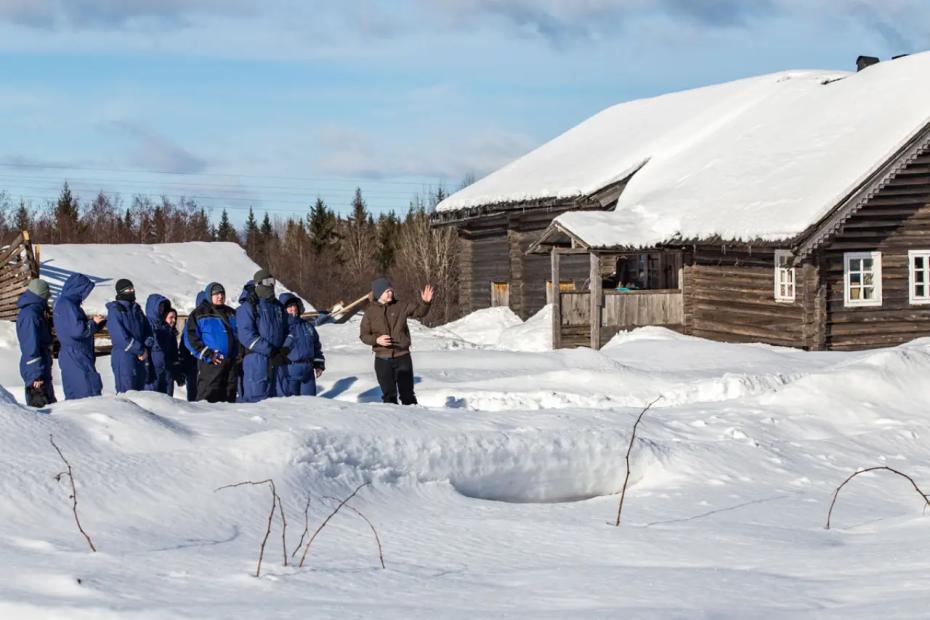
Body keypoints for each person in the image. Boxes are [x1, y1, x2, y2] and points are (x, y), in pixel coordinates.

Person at [359, 277, 433, 405]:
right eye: (387, 291)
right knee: (389, 396)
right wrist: (377, 340)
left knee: (408, 394)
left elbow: (419, 312)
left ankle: (413, 421)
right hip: (382, 360)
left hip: (403, 357)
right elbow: (364, 335)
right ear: (378, 293)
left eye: (391, 290)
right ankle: (392, 423)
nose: (390, 293)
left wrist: (425, 303)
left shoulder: (400, 306)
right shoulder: (370, 312)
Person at [236, 270, 288, 403]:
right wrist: (270, 350)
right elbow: (246, 335)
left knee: (280, 403)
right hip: (257, 360)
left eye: (273, 282)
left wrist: (285, 349)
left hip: (277, 361)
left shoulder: (278, 307)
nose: (271, 285)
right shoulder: (249, 307)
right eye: (267, 282)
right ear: (258, 284)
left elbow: (288, 329)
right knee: (256, 403)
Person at [53, 273, 105, 400]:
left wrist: (96, 325)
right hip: (77, 354)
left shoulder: (64, 303)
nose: (85, 295)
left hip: (74, 353)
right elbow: (78, 330)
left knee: (76, 394)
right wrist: (93, 323)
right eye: (84, 291)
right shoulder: (68, 305)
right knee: (87, 394)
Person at [186, 282, 239, 403]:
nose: (220, 296)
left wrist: (238, 354)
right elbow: (190, 337)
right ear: (209, 295)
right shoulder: (199, 313)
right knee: (208, 397)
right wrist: (207, 354)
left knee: (229, 397)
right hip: (211, 362)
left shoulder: (231, 313)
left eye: (222, 293)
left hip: (230, 363)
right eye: (216, 294)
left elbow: (238, 334)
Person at [107, 279, 154, 393]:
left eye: (133, 289)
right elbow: (120, 338)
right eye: (129, 289)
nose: (132, 291)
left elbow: (148, 330)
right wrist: (140, 350)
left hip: (140, 357)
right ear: (122, 291)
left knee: (140, 392)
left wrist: (146, 346)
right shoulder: (116, 310)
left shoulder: (137, 309)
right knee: (127, 393)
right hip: (124, 356)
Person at [16, 278, 57, 407]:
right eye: (46, 296)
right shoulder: (30, 315)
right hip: (36, 372)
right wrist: (35, 375)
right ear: (41, 295)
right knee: (42, 411)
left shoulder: (35, 312)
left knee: (49, 406)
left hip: (41, 367)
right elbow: (30, 346)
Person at [279, 292, 325, 396]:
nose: (293, 309)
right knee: (292, 405)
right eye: (289, 306)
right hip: (290, 371)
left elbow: (316, 346)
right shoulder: (281, 327)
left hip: (308, 371)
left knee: (309, 404)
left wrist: (318, 364)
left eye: (294, 305)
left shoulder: (307, 326)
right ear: (283, 309)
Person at [144, 294, 180, 396]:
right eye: (159, 306)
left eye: (163, 307)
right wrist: (146, 367)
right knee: (152, 400)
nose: (161, 309)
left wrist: (176, 369)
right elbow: (144, 348)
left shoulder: (166, 327)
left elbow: (173, 350)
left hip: (167, 370)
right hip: (153, 371)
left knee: (168, 400)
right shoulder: (146, 325)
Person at [178, 292, 204, 401]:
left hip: (209, 364)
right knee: (194, 395)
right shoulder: (193, 319)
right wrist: (183, 366)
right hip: (193, 364)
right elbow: (185, 344)